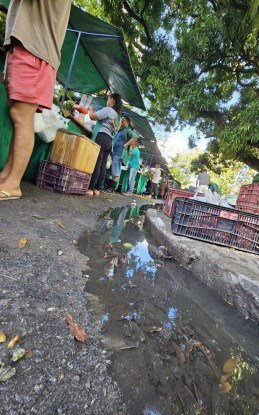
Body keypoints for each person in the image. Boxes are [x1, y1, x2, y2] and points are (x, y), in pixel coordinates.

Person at [0, 0, 72, 201]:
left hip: (36, 48)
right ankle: (7, 176)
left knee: (21, 115)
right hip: (28, 45)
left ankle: (13, 183)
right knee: (18, 114)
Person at [85, 93, 123, 196]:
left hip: (102, 136)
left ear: (112, 101)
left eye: (108, 98)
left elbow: (93, 117)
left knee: (97, 163)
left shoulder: (108, 110)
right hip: (109, 141)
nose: (107, 100)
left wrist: (91, 109)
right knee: (102, 166)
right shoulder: (118, 118)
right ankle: (97, 189)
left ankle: (90, 188)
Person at [107, 115, 139, 192]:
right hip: (113, 152)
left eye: (123, 120)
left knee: (116, 170)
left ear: (127, 122)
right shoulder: (120, 130)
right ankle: (108, 187)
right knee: (111, 170)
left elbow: (135, 137)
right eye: (121, 119)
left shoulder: (127, 130)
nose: (121, 121)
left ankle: (111, 188)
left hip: (119, 153)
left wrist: (127, 144)